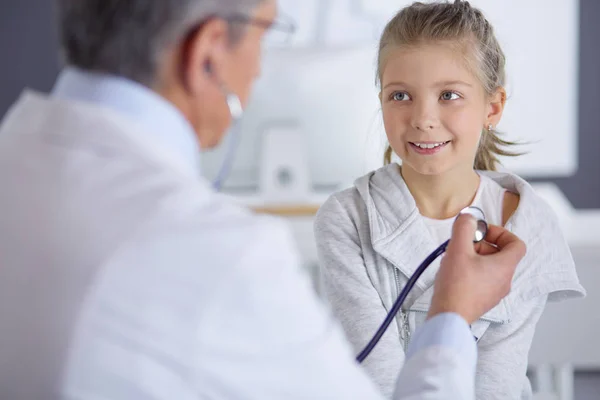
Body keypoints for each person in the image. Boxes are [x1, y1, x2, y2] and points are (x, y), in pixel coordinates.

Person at [0, 0, 525, 399]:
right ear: (207, 54)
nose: (258, 69)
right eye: (264, 35)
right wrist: (452, 314)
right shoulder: (215, 253)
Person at [314, 1, 586, 399]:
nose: (423, 118)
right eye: (401, 95)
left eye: (449, 95)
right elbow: (378, 376)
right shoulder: (347, 219)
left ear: (492, 107)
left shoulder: (527, 222)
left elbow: (498, 382)